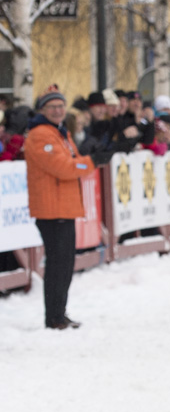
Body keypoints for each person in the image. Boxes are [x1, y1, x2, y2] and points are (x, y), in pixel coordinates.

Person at [24, 86, 110, 329]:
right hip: (52, 209)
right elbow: (63, 167)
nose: (58, 110)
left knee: (64, 264)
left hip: (63, 207)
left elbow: (72, 162)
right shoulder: (41, 134)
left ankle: (59, 313)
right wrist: (92, 162)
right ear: (43, 110)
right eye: (52, 107)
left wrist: (88, 159)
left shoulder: (60, 133)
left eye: (61, 106)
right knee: (58, 264)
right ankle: (54, 317)